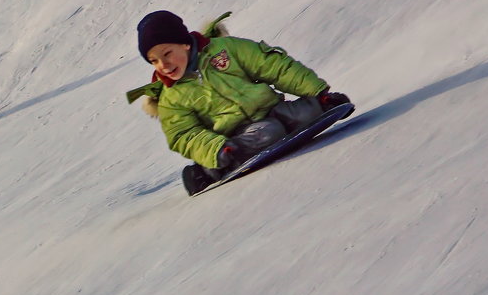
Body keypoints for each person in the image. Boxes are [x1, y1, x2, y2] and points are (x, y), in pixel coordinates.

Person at [125, 11, 351, 194]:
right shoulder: (171, 96)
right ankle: (209, 170)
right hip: (233, 136)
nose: (163, 65)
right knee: (268, 132)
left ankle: (320, 106)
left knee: (305, 113)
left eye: (167, 53)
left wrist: (318, 92)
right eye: (154, 61)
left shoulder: (224, 50)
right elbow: (184, 134)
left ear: (184, 43)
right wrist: (215, 148)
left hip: (271, 109)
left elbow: (273, 66)